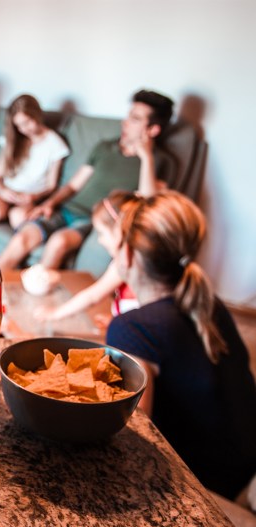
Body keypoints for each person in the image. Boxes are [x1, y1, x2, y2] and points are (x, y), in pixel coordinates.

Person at [106, 191, 256, 502]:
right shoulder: (209, 304)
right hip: (242, 466)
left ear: (129, 254)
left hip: (198, 487)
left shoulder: (132, 328)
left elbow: (129, 441)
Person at [0, 89, 174, 272]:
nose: (125, 122)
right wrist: (49, 203)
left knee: (59, 242)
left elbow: (148, 201)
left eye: (135, 119)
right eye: (128, 115)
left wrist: (146, 158)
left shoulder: (159, 161)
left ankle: (35, 294)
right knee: (22, 238)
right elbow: (73, 185)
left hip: (90, 220)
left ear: (152, 130)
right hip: (65, 210)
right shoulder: (105, 147)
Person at [35, 190, 140, 328]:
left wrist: (55, 313)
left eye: (102, 233)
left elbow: (92, 296)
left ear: (119, 231)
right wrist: (115, 318)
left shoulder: (126, 264)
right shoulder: (133, 260)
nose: (100, 240)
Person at [0, 94, 69, 228]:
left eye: (27, 122)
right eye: (19, 126)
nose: (24, 129)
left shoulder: (55, 144)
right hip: (6, 193)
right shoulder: (13, 140)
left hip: (30, 198)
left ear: (37, 115)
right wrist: (3, 191)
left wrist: (34, 197)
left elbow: (51, 185)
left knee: (18, 217)